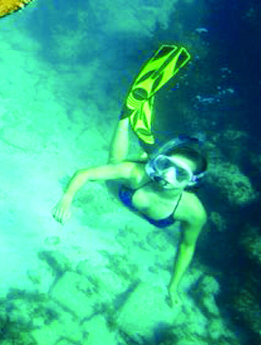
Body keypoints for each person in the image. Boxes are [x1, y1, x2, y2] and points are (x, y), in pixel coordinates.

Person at [52, 45, 208, 306]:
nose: (167, 176)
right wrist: (67, 198)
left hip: (140, 175)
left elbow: (186, 247)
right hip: (135, 175)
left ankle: (134, 122)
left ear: (192, 183)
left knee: (121, 164)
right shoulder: (136, 175)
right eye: (166, 165)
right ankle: (125, 117)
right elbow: (86, 174)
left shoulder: (193, 213)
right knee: (116, 165)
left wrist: (173, 287)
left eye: (179, 173)